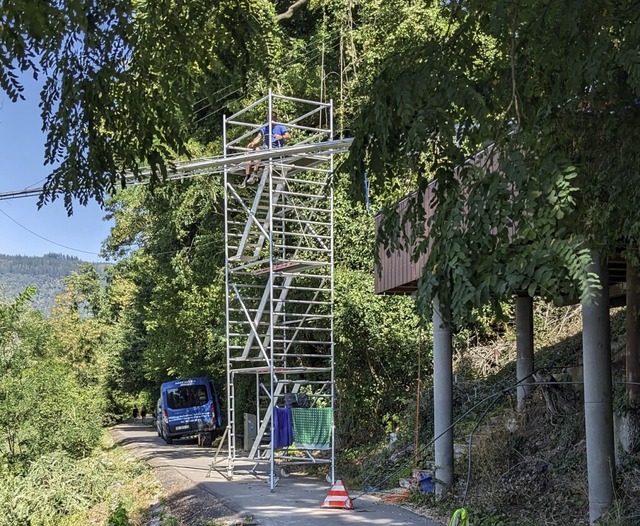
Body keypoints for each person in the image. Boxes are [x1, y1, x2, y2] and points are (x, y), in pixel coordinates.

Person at [242, 110, 290, 186]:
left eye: (271, 118)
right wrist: (253, 143)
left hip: (275, 148)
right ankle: (247, 176)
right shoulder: (266, 127)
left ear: (275, 118)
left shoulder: (280, 127)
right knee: (247, 152)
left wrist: (281, 137)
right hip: (265, 147)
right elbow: (259, 137)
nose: (270, 120)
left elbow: (288, 136)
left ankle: (254, 173)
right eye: (268, 118)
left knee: (258, 149)